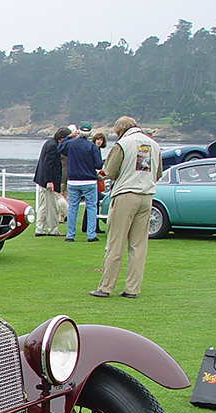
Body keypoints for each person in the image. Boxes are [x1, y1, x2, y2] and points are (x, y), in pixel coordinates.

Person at [90, 116, 162, 299]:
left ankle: (106, 287)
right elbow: (158, 173)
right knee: (138, 245)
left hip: (125, 195)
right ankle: (132, 288)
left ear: (120, 131)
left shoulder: (123, 144)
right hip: (147, 196)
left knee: (115, 242)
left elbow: (111, 172)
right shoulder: (154, 145)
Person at [58, 121, 103, 242]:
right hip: (89, 180)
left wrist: (69, 137)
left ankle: (70, 235)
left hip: (73, 180)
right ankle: (91, 234)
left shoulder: (71, 144)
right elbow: (98, 164)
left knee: (73, 207)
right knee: (92, 207)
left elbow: (60, 148)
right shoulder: (92, 146)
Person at [33, 127, 70, 236]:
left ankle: (40, 229)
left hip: (42, 180)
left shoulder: (49, 143)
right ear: (62, 138)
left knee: (43, 206)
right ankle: (53, 229)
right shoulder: (54, 146)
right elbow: (48, 164)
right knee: (51, 207)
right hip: (48, 181)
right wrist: (49, 181)